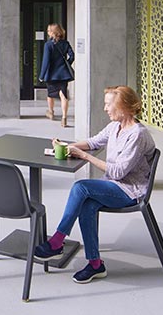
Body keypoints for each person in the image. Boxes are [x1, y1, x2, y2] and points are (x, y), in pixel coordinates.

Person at [33, 85, 156, 284]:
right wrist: (67, 146)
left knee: (81, 188)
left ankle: (57, 241)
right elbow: (94, 142)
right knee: (87, 204)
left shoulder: (137, 135)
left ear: (123, 106)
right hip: (113, 185)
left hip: (130, 191)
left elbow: (117, 172)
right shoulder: (115, 127)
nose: (105, 109)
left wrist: (83, 156)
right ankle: (95, 264)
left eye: (108, 104)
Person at [38, 23, 75, 124]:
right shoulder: (65, 43)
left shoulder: (48, 45)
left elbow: (46, 62)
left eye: (49, 31)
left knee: (50, 94)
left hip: (51, 74)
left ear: (52, 32)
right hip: (63, 74)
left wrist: (41, 76)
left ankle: (51, 112)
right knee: (63, 95)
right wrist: (67, 63)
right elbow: (72, 55)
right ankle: (64, 117)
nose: (48, 32)